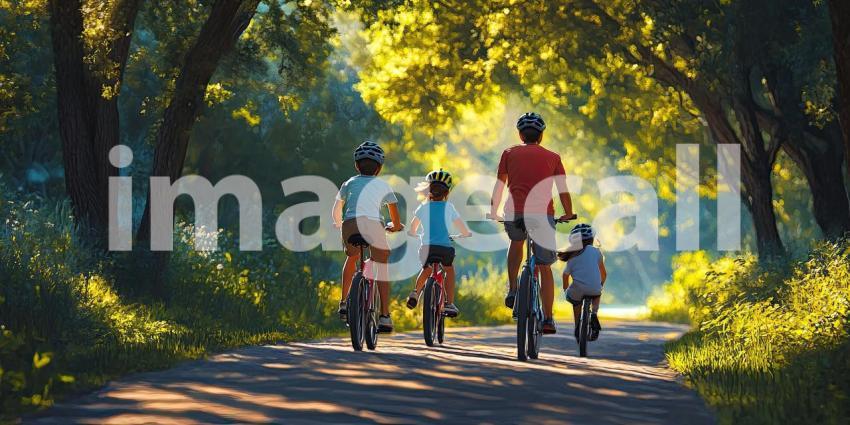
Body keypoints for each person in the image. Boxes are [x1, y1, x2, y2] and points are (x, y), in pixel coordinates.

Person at [489, 112, 575, 334]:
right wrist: (569, 213)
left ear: (520, 134)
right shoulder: (553, 157)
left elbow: (500, 185)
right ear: (541, 136)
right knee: (544, 266)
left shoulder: (509, 153)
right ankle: (547, 318)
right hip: (542, 216)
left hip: (514, 213)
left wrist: (493, 210)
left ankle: (513, 288)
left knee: (516, 242)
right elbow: (562, 189)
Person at [332, 141, 403, 333]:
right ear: (379, 168)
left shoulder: (349, 183)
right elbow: (394, 216)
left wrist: (339, 223)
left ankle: (344, 301)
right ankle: (385, 316)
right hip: (374, 226)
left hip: (350, 225)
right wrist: (395, 227)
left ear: (356, 165)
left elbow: (337, 208)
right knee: (381, 265)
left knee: (352, 257)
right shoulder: (383, 185)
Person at [405, 169, 472, 317]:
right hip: (444, 249)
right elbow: (462, 228)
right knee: (449, 270)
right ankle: (449, 304)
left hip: (426, 248)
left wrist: (412, 233)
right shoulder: (450, 208)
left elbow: (412, 228)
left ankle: (415, 293)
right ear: (447, 193)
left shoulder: (422, 207)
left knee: (427, 269)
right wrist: (465, 234)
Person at [559, 224, 607, 341]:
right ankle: (594, 313)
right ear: (591, 239)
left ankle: (577, 327)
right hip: (594, 288)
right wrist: (600, 285)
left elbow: (565, 276)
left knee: (576, 302)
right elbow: (604, 274)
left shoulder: (572, 255)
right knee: (597, 293)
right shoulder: (596, 252)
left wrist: (566, 290)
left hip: (577, 289)